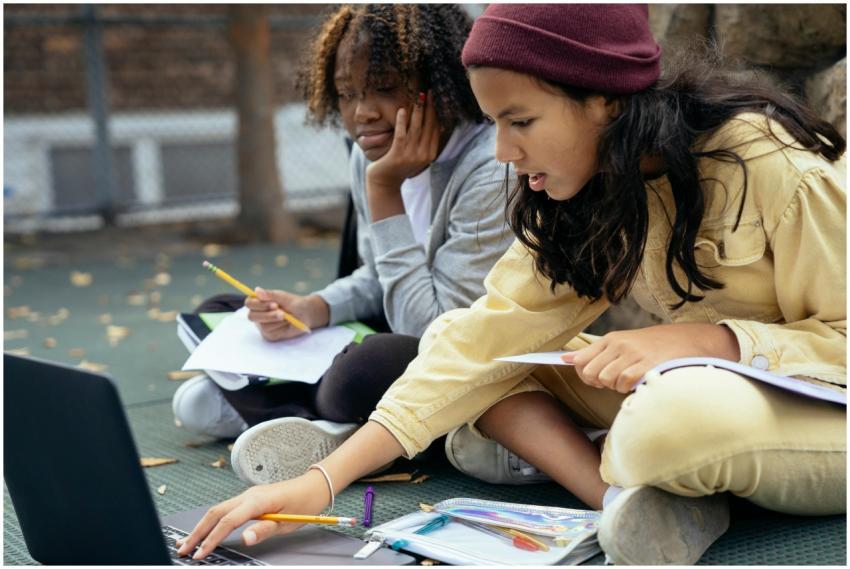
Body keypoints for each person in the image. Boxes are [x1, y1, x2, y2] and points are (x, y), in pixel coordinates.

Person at [176, 4, 846, 565]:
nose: (502, 151)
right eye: (494, 122)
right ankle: (625, 502)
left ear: (605, 100)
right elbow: (479, 341)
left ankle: (641, 469)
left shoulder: (767, 164)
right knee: (463, 349)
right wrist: (321, 481)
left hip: (811, 407)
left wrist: (709, 340)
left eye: (519, 121)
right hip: (686, 392)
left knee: (669, 416)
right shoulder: (589, 182)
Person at [170, 3, 513, 485]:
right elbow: (377, 276)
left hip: (450, 358)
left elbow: (436, 332)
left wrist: (385, 190)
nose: (361, 114)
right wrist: (312, 308)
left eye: (385, 89)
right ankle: (322, 421)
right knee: (226, 309)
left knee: (371, 365)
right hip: (393, 333)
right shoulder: (370, 149)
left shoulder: (490, 168)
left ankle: (278, 407)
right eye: (346, 94)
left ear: (440, 83)